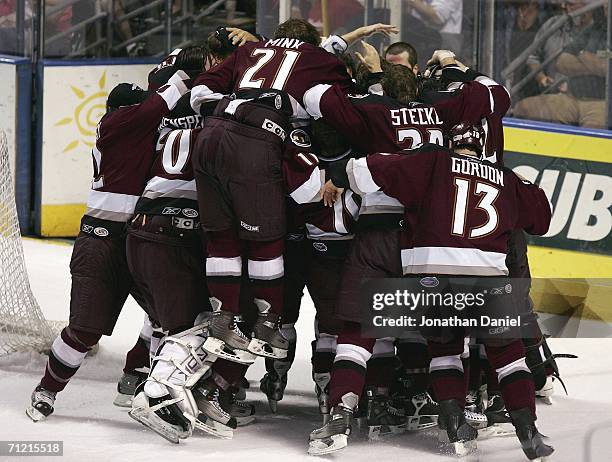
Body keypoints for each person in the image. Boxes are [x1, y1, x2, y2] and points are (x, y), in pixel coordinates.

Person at [334, 123, 554, 461]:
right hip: (489, 280)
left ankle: (455, 424)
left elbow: (360, 172)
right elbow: (542, 217)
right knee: (510, 357)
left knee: (445, 350)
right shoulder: (505, 177)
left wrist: (338, 172)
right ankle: (529, 431)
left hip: (434, 279)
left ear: (449, 143)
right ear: (481, 148)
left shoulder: (434, 161)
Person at [26, 71, 191, 423]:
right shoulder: (115, 123)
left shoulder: (140, 134)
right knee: (84, 330)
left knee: (168, 322)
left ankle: (144, 388)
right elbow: (153, 108)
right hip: (100, 243)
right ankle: (47, 389)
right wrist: (184, 74)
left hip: (140, 239)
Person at [189, 18, 353, 364]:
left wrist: (224, 108)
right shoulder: (320, 59)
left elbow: (201, 89)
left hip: (210, 135)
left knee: (222, 235)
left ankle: (222, 316)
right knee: (265, 238)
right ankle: (266, 322)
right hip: (259, 140)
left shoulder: (249, 49)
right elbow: (336, 108)